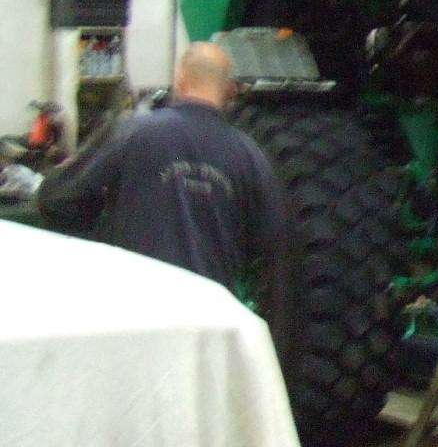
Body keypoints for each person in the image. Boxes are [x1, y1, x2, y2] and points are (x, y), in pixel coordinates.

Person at [37, 42, 289, 344]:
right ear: (229, 91)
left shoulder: (133, 132)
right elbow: (275, 248)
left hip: (138, 325)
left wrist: (101, 224)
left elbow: (56, 200)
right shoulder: (250, 157)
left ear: (179, 80)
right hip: (211, 334)